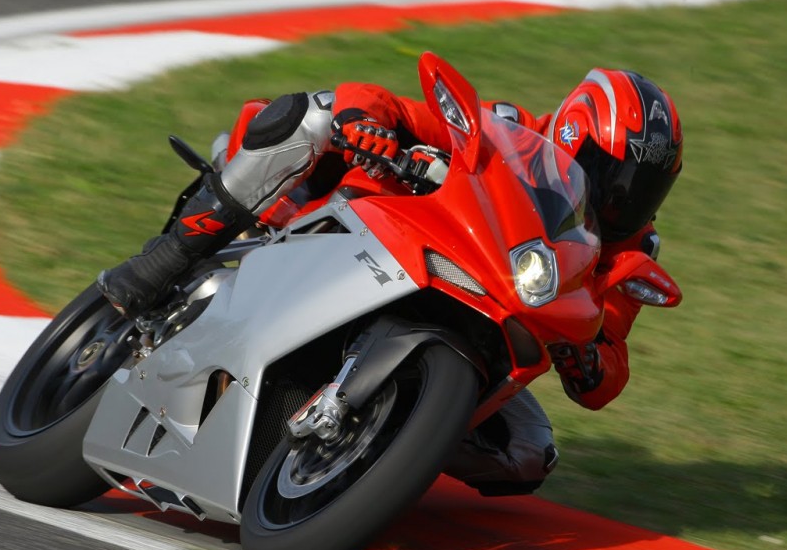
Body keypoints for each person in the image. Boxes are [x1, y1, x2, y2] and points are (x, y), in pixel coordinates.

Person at [96, 66, 684, 496]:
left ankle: (375, 458)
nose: (623, 198)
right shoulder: (504, 131)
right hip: (382, 238)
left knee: (528, 454)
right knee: (315, 112)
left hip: (486, 327)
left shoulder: (628, 250)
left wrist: (589, 361)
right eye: (616, 174)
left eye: (643, 187)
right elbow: (382, 100)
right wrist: (365, 122)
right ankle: (166, 261)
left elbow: (610, 361)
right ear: (572, 136)